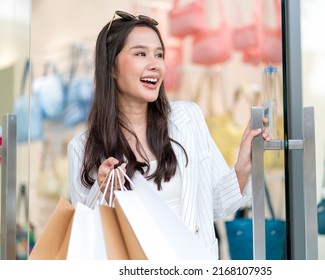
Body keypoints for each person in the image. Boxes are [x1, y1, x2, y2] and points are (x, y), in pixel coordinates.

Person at [67, 11, 270, 260]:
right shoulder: (83, 147)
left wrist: (243, 165)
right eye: (141, 53)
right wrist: (104, 193)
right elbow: (88, 240)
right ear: (111, 67)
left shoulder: (188, 119)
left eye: (159, 55)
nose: (155, 64)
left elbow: (216, 205)